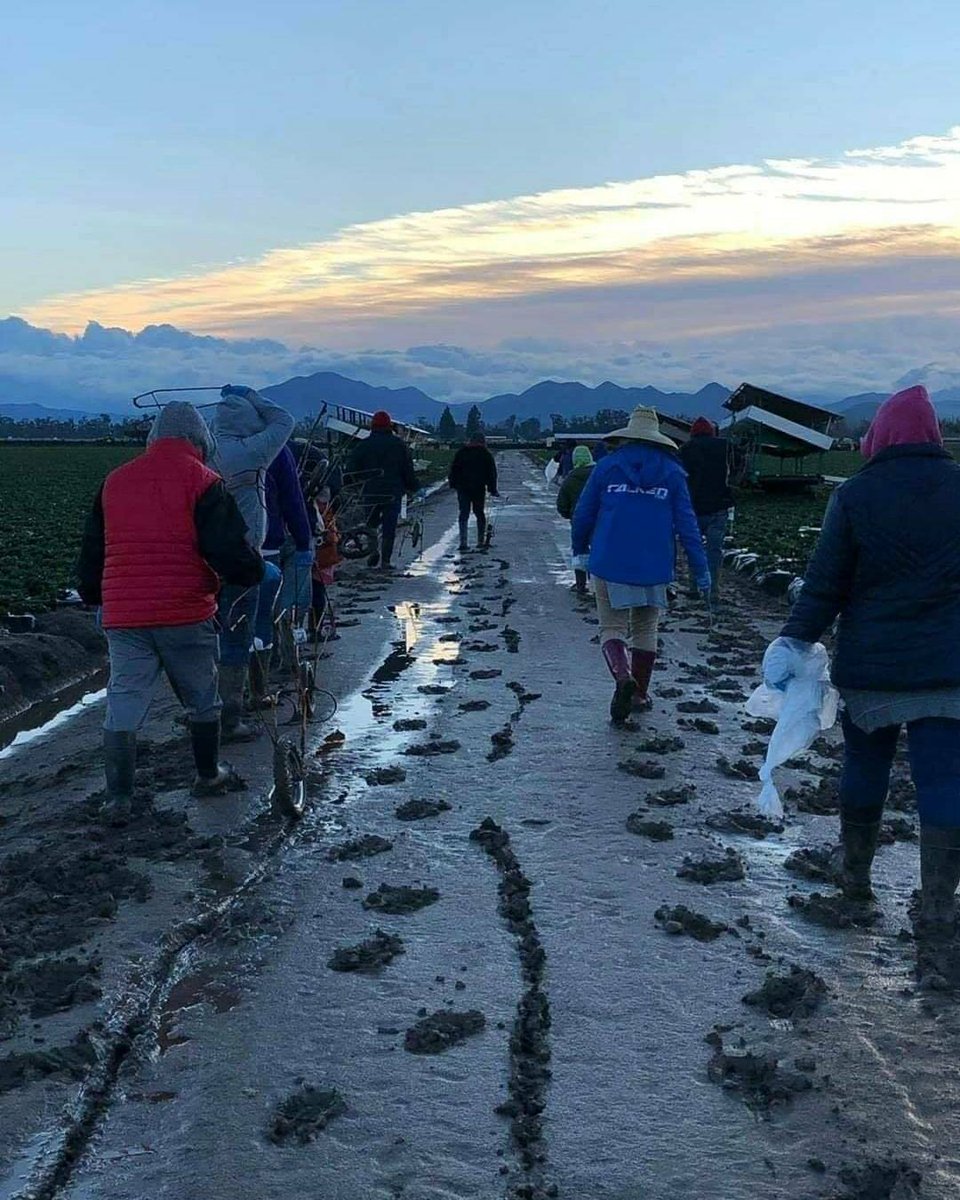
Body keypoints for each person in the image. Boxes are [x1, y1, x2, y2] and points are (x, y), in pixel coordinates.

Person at [774, 384, 960, 985]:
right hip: (950, 670)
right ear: (932, 436)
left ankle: (855, 883)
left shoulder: (856, 496)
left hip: (872, 670)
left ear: (879, 436)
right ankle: (937, 913)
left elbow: (826, 582)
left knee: (865, 767)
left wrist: (794, 640)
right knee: (944, 781)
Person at [77, 402, 265, 820]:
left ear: (153, 438)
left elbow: (93, 551)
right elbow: (228, 550)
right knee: (201, 697)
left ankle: (118, 797)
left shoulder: (116, 481)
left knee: (124, 697)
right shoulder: (203, 481)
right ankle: (208, 774)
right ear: (201, 440)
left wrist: (95, 595)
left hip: (125, 615)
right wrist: (252, 573)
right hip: (184, 610)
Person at [572, 406, 710, 724]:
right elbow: (687, 525)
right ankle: (639, 693)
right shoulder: (673, 473)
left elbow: (583, 513)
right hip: (655, 562)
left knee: (612, 627)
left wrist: (579, 548)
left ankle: (623, 679)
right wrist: (701, 569)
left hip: (610, 558)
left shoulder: (607, 467)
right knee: (647, 627)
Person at [210, 384, 295, 739]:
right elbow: (284, 421)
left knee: (215, 631)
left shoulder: (206, 452)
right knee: (238, 632)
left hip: (206, 559)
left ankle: (222, 701)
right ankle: (232, 714)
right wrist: (256, 398)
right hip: (241, 558)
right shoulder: (250, 450)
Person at [252, 443, 314, 696]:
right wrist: (303, 540)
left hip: (225, 549)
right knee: (280, 609)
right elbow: (292, 498)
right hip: (268, 545)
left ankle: (243, 687)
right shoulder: (275, 449)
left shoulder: (216, 446)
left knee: (242, 616)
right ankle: (281, 666)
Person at [346, 410, 420, 569]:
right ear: (389, 426)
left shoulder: (363, 445)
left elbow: (351, 468)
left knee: (371, 524)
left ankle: (373, 550)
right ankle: (385, 561)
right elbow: (407, 470)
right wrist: (414, 487)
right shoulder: (399, 445)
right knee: (389, 526)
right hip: (392, 492)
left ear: (372, 426)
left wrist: (358, 484)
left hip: (370, 491)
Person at [680, 417, 734, 603]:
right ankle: (713, 592)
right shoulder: (725, 447)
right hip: (719, 507)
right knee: (714, 551)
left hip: (694, 508)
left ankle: (694, 587)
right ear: (712, 432)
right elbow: (737, 469)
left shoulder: (686, 449)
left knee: (693, 548)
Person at [448, 433, 499, 551]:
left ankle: (463, 542)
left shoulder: (461, 452)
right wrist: (493, 489)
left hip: (463, 488)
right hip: (478, 488)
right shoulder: (485, 454)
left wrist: (453, 484)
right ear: (482, 442)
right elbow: (491, 474)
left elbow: (454, 469)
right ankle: (480, 541)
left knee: (464, 513)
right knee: (479, 513)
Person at [556, 445, 595, 593]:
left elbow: (562, 504)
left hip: (578, 519)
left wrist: (569, 514)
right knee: (597, 549)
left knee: (580, 550)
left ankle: (580, 584)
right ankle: (596, 584)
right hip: (600, 519)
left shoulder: (571, 478)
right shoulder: (599, 474)